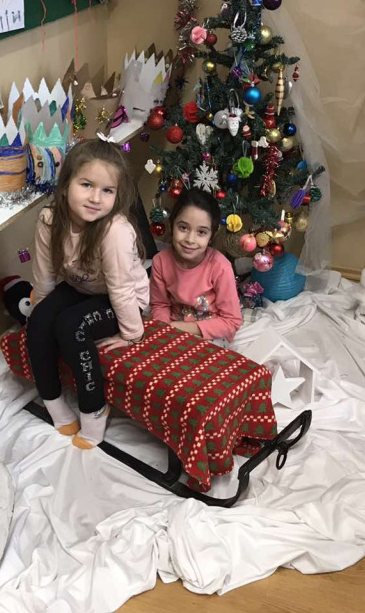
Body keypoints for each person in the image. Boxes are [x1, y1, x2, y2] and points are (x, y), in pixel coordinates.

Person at [28, 138, 148, 449]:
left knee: (71, 325)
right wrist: (43, 312)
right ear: (65, 185)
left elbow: (121, 288)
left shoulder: (115, 230)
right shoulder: (49, 219)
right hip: (81, 287)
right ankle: (53, 401)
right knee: (39, 319)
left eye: (107, 190)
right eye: (86, 185)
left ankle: (94, 408)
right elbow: (45, 273)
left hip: (123, 300)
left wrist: (132, 333)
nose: (96, 198)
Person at [150, 189, 242, 342]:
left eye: (201, 232)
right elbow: (159, 305)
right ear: (172, 225)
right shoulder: (160, 261)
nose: (190, 239)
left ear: (211, 236)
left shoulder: (220, 267)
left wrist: (179, 327)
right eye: (183, 228)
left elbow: (232, 321)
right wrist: (163, 330)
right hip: (172, 329)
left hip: (211, 334)